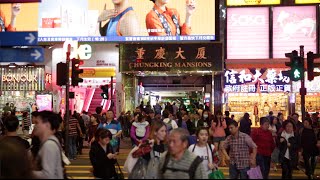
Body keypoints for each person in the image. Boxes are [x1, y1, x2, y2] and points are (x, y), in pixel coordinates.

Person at [32, 111, 64, 179]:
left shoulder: (49, 145)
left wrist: (27, 173)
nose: (35, 126)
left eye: (37, 123)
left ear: (47, 125)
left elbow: (48, 175)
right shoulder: (49, 142)